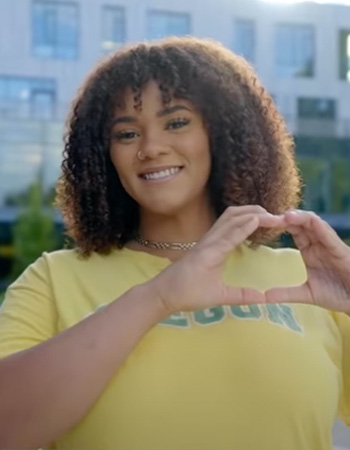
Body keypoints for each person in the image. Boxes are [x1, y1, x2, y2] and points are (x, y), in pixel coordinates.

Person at [0, 36, 349, 450]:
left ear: (221, 134)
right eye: (127, 134)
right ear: (104, 155)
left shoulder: (308, 278)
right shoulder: (54, 280)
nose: (151, 148)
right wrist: (159, 296)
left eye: (177, 122)